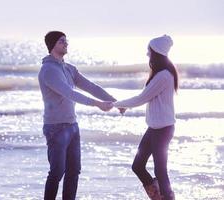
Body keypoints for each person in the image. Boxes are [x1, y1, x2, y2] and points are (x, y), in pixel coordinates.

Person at [38, 31, 116, 200]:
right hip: (56, 128)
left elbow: (91, 87)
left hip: (72, 126)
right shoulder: (48, 70)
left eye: (66, 41)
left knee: (74, 171)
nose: (66, 44)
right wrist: (97, 104)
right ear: (52, 45)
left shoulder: (68, 68)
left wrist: (114, 101)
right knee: (57, 172)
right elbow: (69, 93)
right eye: (61, 41)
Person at [113, 35, 178, 200]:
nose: (147, 54)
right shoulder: (160, 74)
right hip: (155, 128)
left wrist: (119, 104)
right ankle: (158, 196)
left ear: (156, 52)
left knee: (160, 171)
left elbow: (143, 98)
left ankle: (167, 197)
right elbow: (144, 96)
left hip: (162, 129)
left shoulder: (164, 75)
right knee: (138, 166)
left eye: (149, 51)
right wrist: (123, 104)